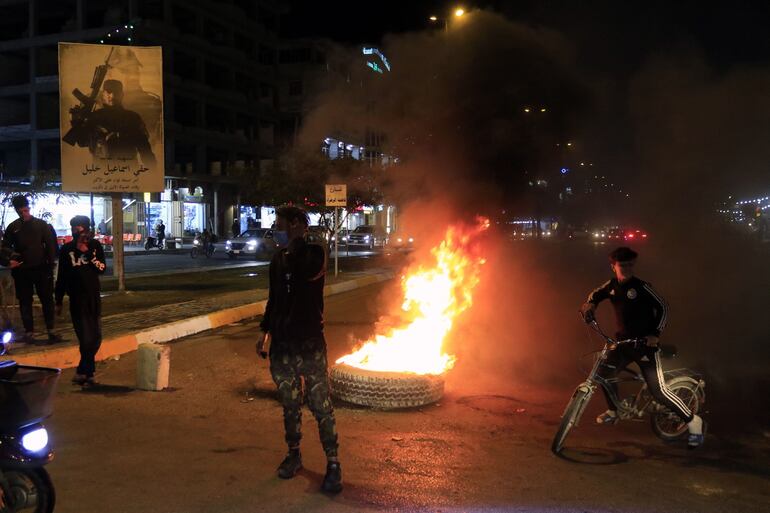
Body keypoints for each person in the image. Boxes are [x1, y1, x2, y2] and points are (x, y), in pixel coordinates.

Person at [580, 247, 705, 448]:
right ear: (613, 266)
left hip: (645, 346)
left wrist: (655, 334)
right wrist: (589, 306)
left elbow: (664, 307)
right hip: (623, 343)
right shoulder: (612, 286)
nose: (627, 269)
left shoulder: (642, 287)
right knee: (603, 373)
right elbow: (595, 295)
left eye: (630, 265)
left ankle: (693, 421)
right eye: (623, 265)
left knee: (659, 391)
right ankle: (614, 411)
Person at [256, 206, 341, 493]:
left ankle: (333, 463)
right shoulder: (277, 260)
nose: (275, 229)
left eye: (280, 224)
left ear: (295, 225)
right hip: (282, 346)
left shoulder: (314, 254)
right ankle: (294, 454)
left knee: (320, 405)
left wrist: (296, 244)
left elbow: (306, 273)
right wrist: (264, 332)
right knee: (290, 404)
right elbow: (274, 299)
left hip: (309, 345)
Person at [0, 196, 61, 345]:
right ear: (16, 210)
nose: (23, 213)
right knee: (25, 302)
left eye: (25, 209)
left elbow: (52, 246)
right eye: (20, 210)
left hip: (42, 269)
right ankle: (29, 333)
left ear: (29, 207)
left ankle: (51, 331)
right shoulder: (13, 227)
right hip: (22, 271)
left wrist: (51, 263)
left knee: (47, 299)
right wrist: (9, 261)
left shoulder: (41, 225)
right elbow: (5, 248)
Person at [55, 216, 106, 387]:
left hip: (93, 297)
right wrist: (59, 300)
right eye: (73, 229)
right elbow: (61, 276)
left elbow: (102, 268)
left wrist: (86, 252)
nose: (75, 232)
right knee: (86, 339)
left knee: (96, 337)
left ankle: (80, 372)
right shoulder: (66, 250)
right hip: (77, 299)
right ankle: (89, 374)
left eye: (78, 229)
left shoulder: (94, 246)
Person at [83, 79, 156, 168]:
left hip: (128, 169)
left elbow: (145, 149)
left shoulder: (132, 117)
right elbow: (82, 142)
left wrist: (153, 170)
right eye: (109, 92)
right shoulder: (95, 117)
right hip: (102, 170)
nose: (113, 96)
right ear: (103, 94)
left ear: (122, 95)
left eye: (116, 93)